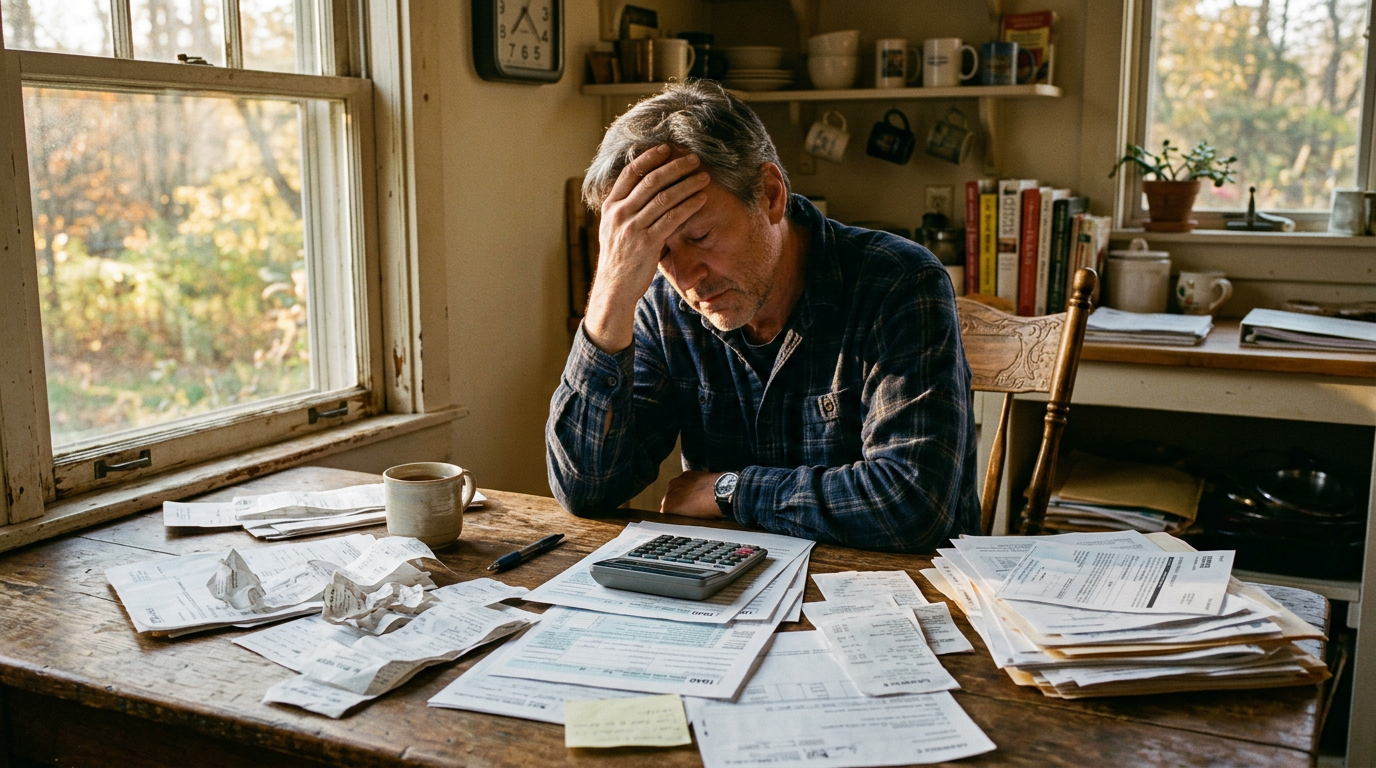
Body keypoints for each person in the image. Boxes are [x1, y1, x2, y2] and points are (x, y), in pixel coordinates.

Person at [546, 81, 978, 553]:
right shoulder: (664, 306)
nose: (686, 276)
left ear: (771, 194)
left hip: (895, 600)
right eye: (658, 251)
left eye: (701, 236)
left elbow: (911, 505)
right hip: (730, 598)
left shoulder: (899, 282)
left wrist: (728, 490)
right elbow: (587, 489)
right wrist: (611, 294)